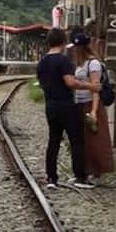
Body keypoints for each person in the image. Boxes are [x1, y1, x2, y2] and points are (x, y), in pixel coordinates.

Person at [36, 27, 90, 190]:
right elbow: (70, 82)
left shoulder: (42, 62)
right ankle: (80, 176)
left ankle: (51, 177)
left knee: (54, 141)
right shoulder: (63, 60)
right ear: (63, 42)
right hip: (66, 104)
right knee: (77, 140)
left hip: (50, 105)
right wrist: (90, 87)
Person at [71, 31, 111, 182]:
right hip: (79, 102)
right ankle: (85, 171)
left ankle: (97, 172)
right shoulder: (79, 64)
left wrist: (94, 110)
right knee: (83, 138)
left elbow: (96, 88)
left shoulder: (93, 64)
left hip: (90, 103)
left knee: (95, 139)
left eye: (76, 48)